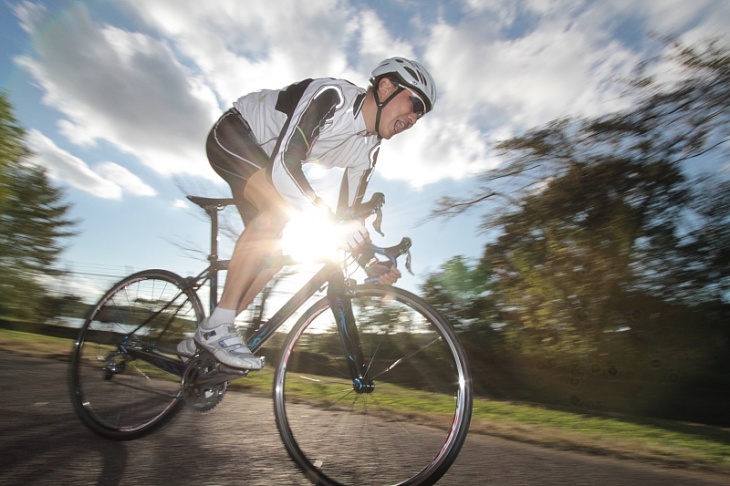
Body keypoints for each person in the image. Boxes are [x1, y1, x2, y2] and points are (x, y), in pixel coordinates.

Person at [178, 57, 437, 369]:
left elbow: (348, 218)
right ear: (385, 87)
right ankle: (217, 327)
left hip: (262, 164)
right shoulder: (332, 97)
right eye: (415, 104)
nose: (414, 118)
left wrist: (370, 261)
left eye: (421, 114)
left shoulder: (367, 152)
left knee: (270, 259)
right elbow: (285, 165)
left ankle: (203, 341)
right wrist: (323, 216)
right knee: (277, 216)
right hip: (235, 134)